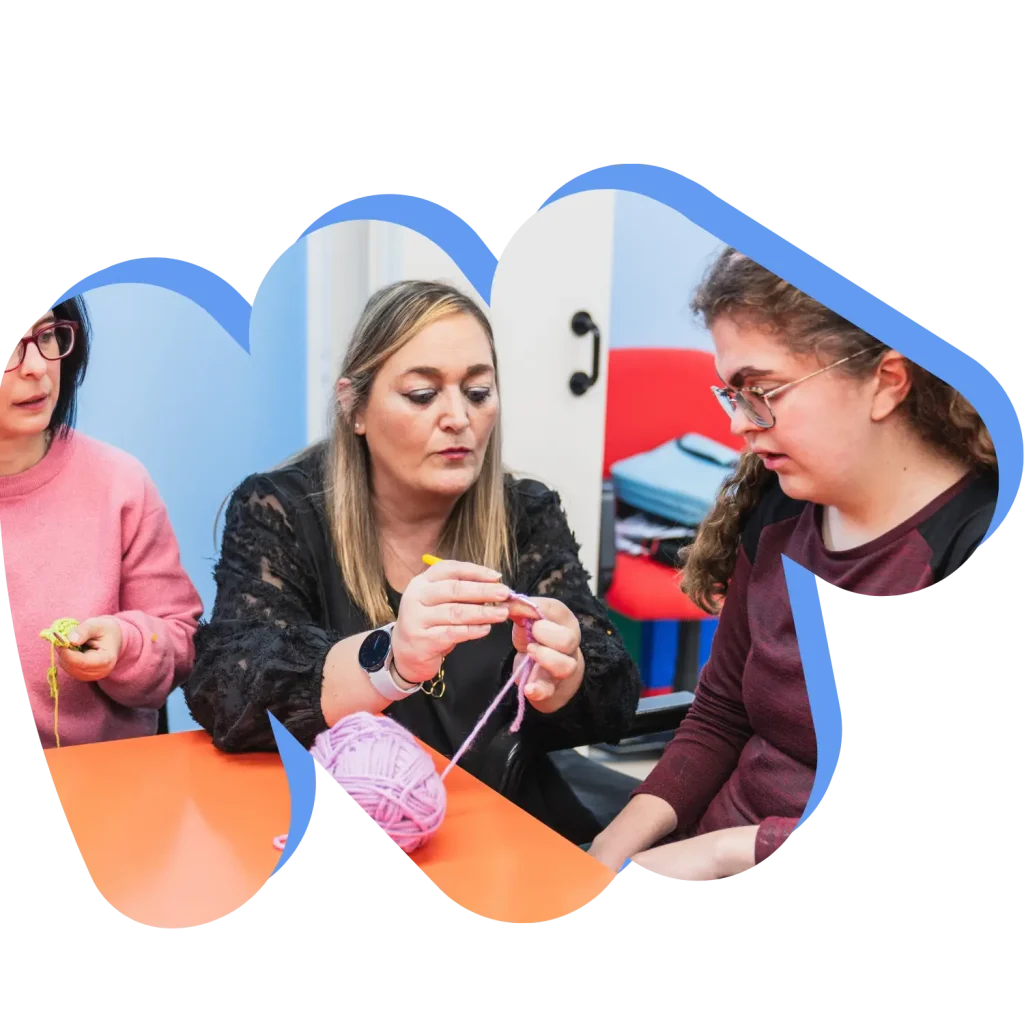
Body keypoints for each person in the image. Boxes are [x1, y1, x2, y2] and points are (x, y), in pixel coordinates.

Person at [588, 247, 998, 879]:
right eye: (731, 393)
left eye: (762, 391)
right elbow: (720, 714)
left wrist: (728, 850)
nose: (738, 423)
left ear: (887, 381)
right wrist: (610, 849)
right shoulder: (781, 510)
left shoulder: (963, 540)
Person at [183, 280, 641, 844]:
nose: (458, 417)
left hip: (501, 827)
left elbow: (614, 694)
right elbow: (230, 688)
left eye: (478, 392)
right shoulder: (282, 510)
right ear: (354, 407)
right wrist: (390, 659)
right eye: (423, 395)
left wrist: (566, 670)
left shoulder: (525, 514)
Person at [1, 299, 204, 749]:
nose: (37, 366)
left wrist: (126, 646)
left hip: (105, 776)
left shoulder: (119, 482)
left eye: (46, 335)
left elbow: (182, 640)